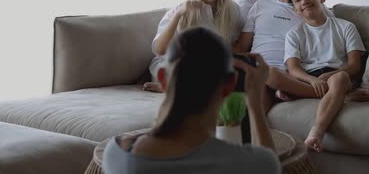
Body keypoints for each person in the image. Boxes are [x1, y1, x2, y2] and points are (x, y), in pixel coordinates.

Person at [103, 27, 280, 174]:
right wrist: (254, 101)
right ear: (229, 85)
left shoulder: (116, 154)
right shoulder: (247, 164)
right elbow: (270, 162)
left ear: (163, 80)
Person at [233, 0, 332, 110]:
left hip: (289, 76)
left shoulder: (311, 10)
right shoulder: (260, 6)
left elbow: (334, 40)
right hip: (258, 72)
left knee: (266, 78)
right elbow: (241, 47)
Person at [285, 0, 369, 153]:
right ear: (295, 9)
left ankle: (316, 132)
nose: (305, 1)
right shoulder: (294, 35)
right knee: (271, 74)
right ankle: (341, 98)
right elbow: (293, 69)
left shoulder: (345, 27)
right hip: (309, 80)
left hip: (338, 76)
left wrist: (328, 76)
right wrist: (312, 80)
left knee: (339, 79)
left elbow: (354, 66)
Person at [144, 0, 243, 92]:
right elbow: (159, 50)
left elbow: (238, 47)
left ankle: (175, 88)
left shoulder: (234, 11)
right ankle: (173, 85)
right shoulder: (182, 9)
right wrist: (178, 15)